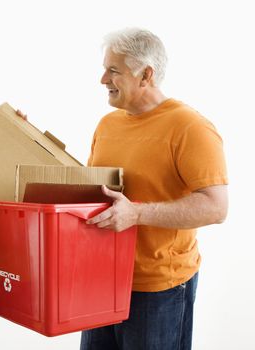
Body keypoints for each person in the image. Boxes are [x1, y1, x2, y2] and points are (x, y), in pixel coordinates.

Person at [80, 28, 228, 350]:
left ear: (145, 75)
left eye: (114, 70)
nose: (102, 78)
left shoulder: (190, 127)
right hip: (101, 281)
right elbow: (89, 191)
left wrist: (137, 213)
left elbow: (216, 207)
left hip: (158, 288)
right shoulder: (108, 124)